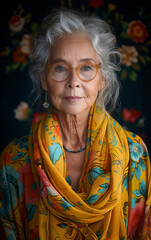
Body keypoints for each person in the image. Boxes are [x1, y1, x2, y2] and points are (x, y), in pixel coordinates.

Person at [0, 9, 151, 240]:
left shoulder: (134, 153)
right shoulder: (14, 161)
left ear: (103, 80)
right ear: (44, 78)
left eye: (87, 68)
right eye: (60, 68)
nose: (73, 82)